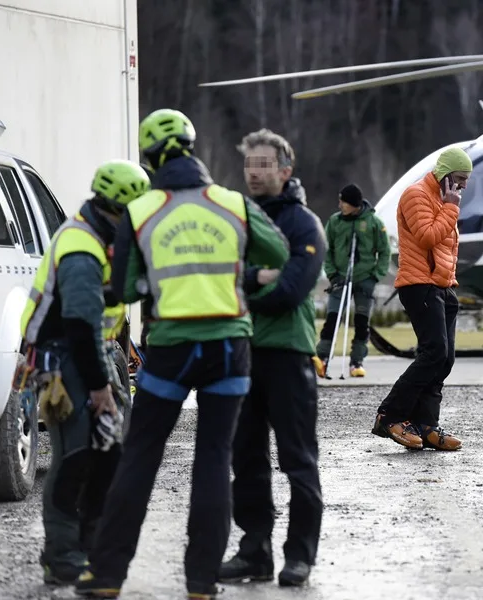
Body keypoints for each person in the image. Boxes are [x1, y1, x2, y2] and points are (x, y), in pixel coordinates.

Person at [74, 108, 289, 600]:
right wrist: (238, 274)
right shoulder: (233, 203)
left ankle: (107, 576)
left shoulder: (140, 210)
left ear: (150, 158)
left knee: (140, 458)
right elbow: (278, 253)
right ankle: (200, 583)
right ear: (192, 149)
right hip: (229, 350)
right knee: (214, 460)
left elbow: (124, 287)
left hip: (170, 348)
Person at [18, 160, 149, 585]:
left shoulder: (102, 235)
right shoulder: (80, 246)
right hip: (64, 360)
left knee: (106, 456)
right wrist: (99, 389)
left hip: (91, 353)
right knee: (75, 458)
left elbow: (104, 302)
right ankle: (61, 556)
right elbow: (78, 323)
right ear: (119, 208)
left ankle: (90, 547)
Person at [218, 128, 327, 587]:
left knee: (297, 459)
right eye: (249, 165)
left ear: (286, 170)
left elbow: (290, 291)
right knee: (246, 459)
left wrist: (241, 291)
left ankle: (299, 556)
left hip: (288, 355)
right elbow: (214, 274)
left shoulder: (304, 224)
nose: (255, 173)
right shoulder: (234, 219)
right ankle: (253, 552)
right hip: (242, 352)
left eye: (265, 165)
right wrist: (250, 279)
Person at [371, 147, 472, 451]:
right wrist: (451, 207)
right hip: (419, 284)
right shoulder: (416, 195)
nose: (462, 186)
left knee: (444, 358)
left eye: (465, 180)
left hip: (442, 286)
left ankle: (426, 424)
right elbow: (428, 236)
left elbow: (446, 245)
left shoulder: (442, 199)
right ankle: (391, 416)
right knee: (433, 352)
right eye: (458, 179)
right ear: (443, 175)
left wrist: (448, 282)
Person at [313, 183, 390, 378]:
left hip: (365, 279)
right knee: (332, 319)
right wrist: (331, 274)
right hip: (339, 278)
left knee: (362, 323)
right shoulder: (335, 221)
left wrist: (375, 276)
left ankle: (356, 362)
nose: (340, 205)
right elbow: (326, 250)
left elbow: (385, 251)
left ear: (354, 204)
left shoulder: (373, 222)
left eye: (343, 202)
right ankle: (322, 358)